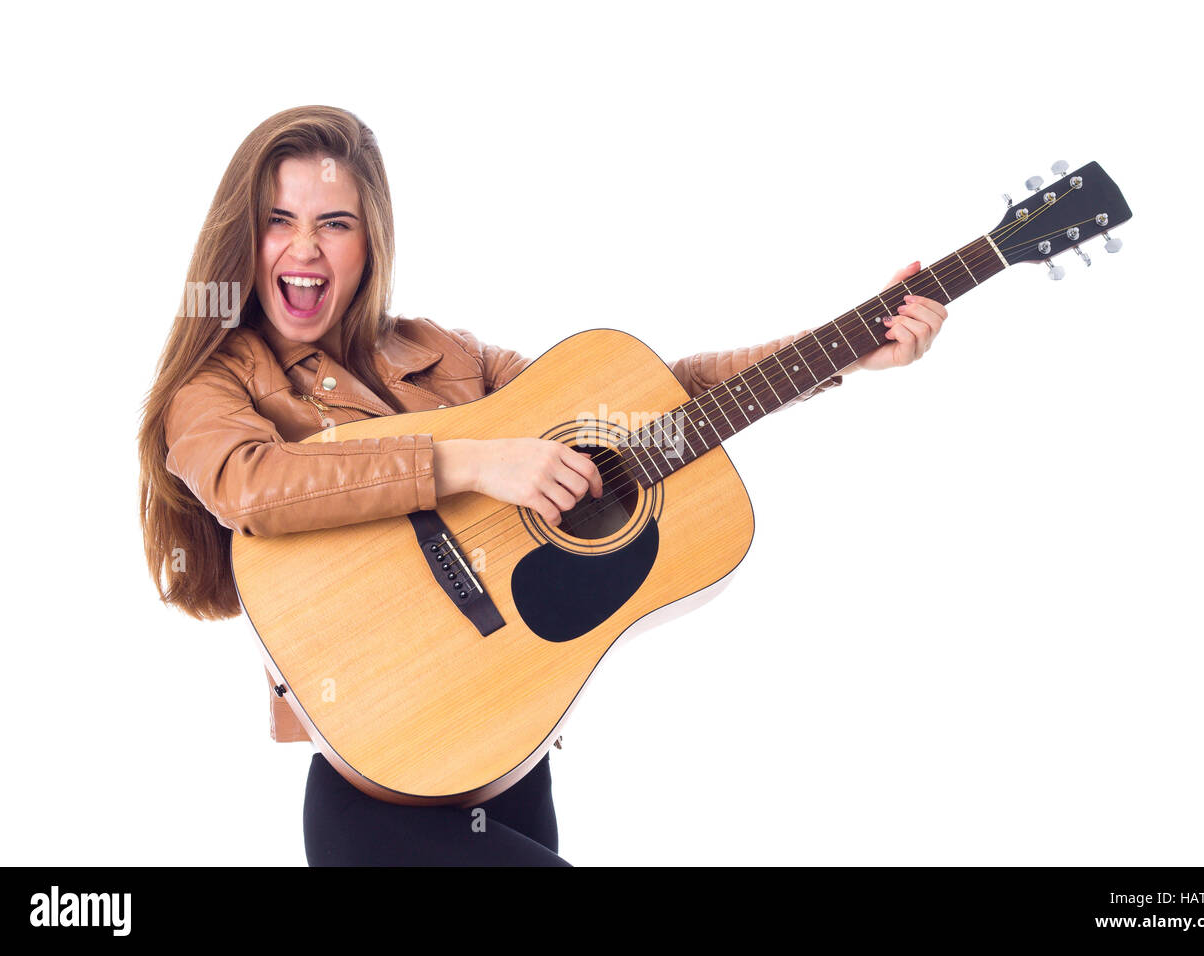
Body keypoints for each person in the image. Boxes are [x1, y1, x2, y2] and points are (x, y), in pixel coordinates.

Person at [137, 105, 948, 866]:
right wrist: (472, 462)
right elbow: (250, 486)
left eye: (334, 223)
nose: (304, 248)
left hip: (510, 755)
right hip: (373, 792)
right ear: (244, 238)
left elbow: (646, 401)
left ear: (370, 242)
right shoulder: (215, 386)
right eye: (279, 220)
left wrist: (838, 350)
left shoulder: (448, 355)